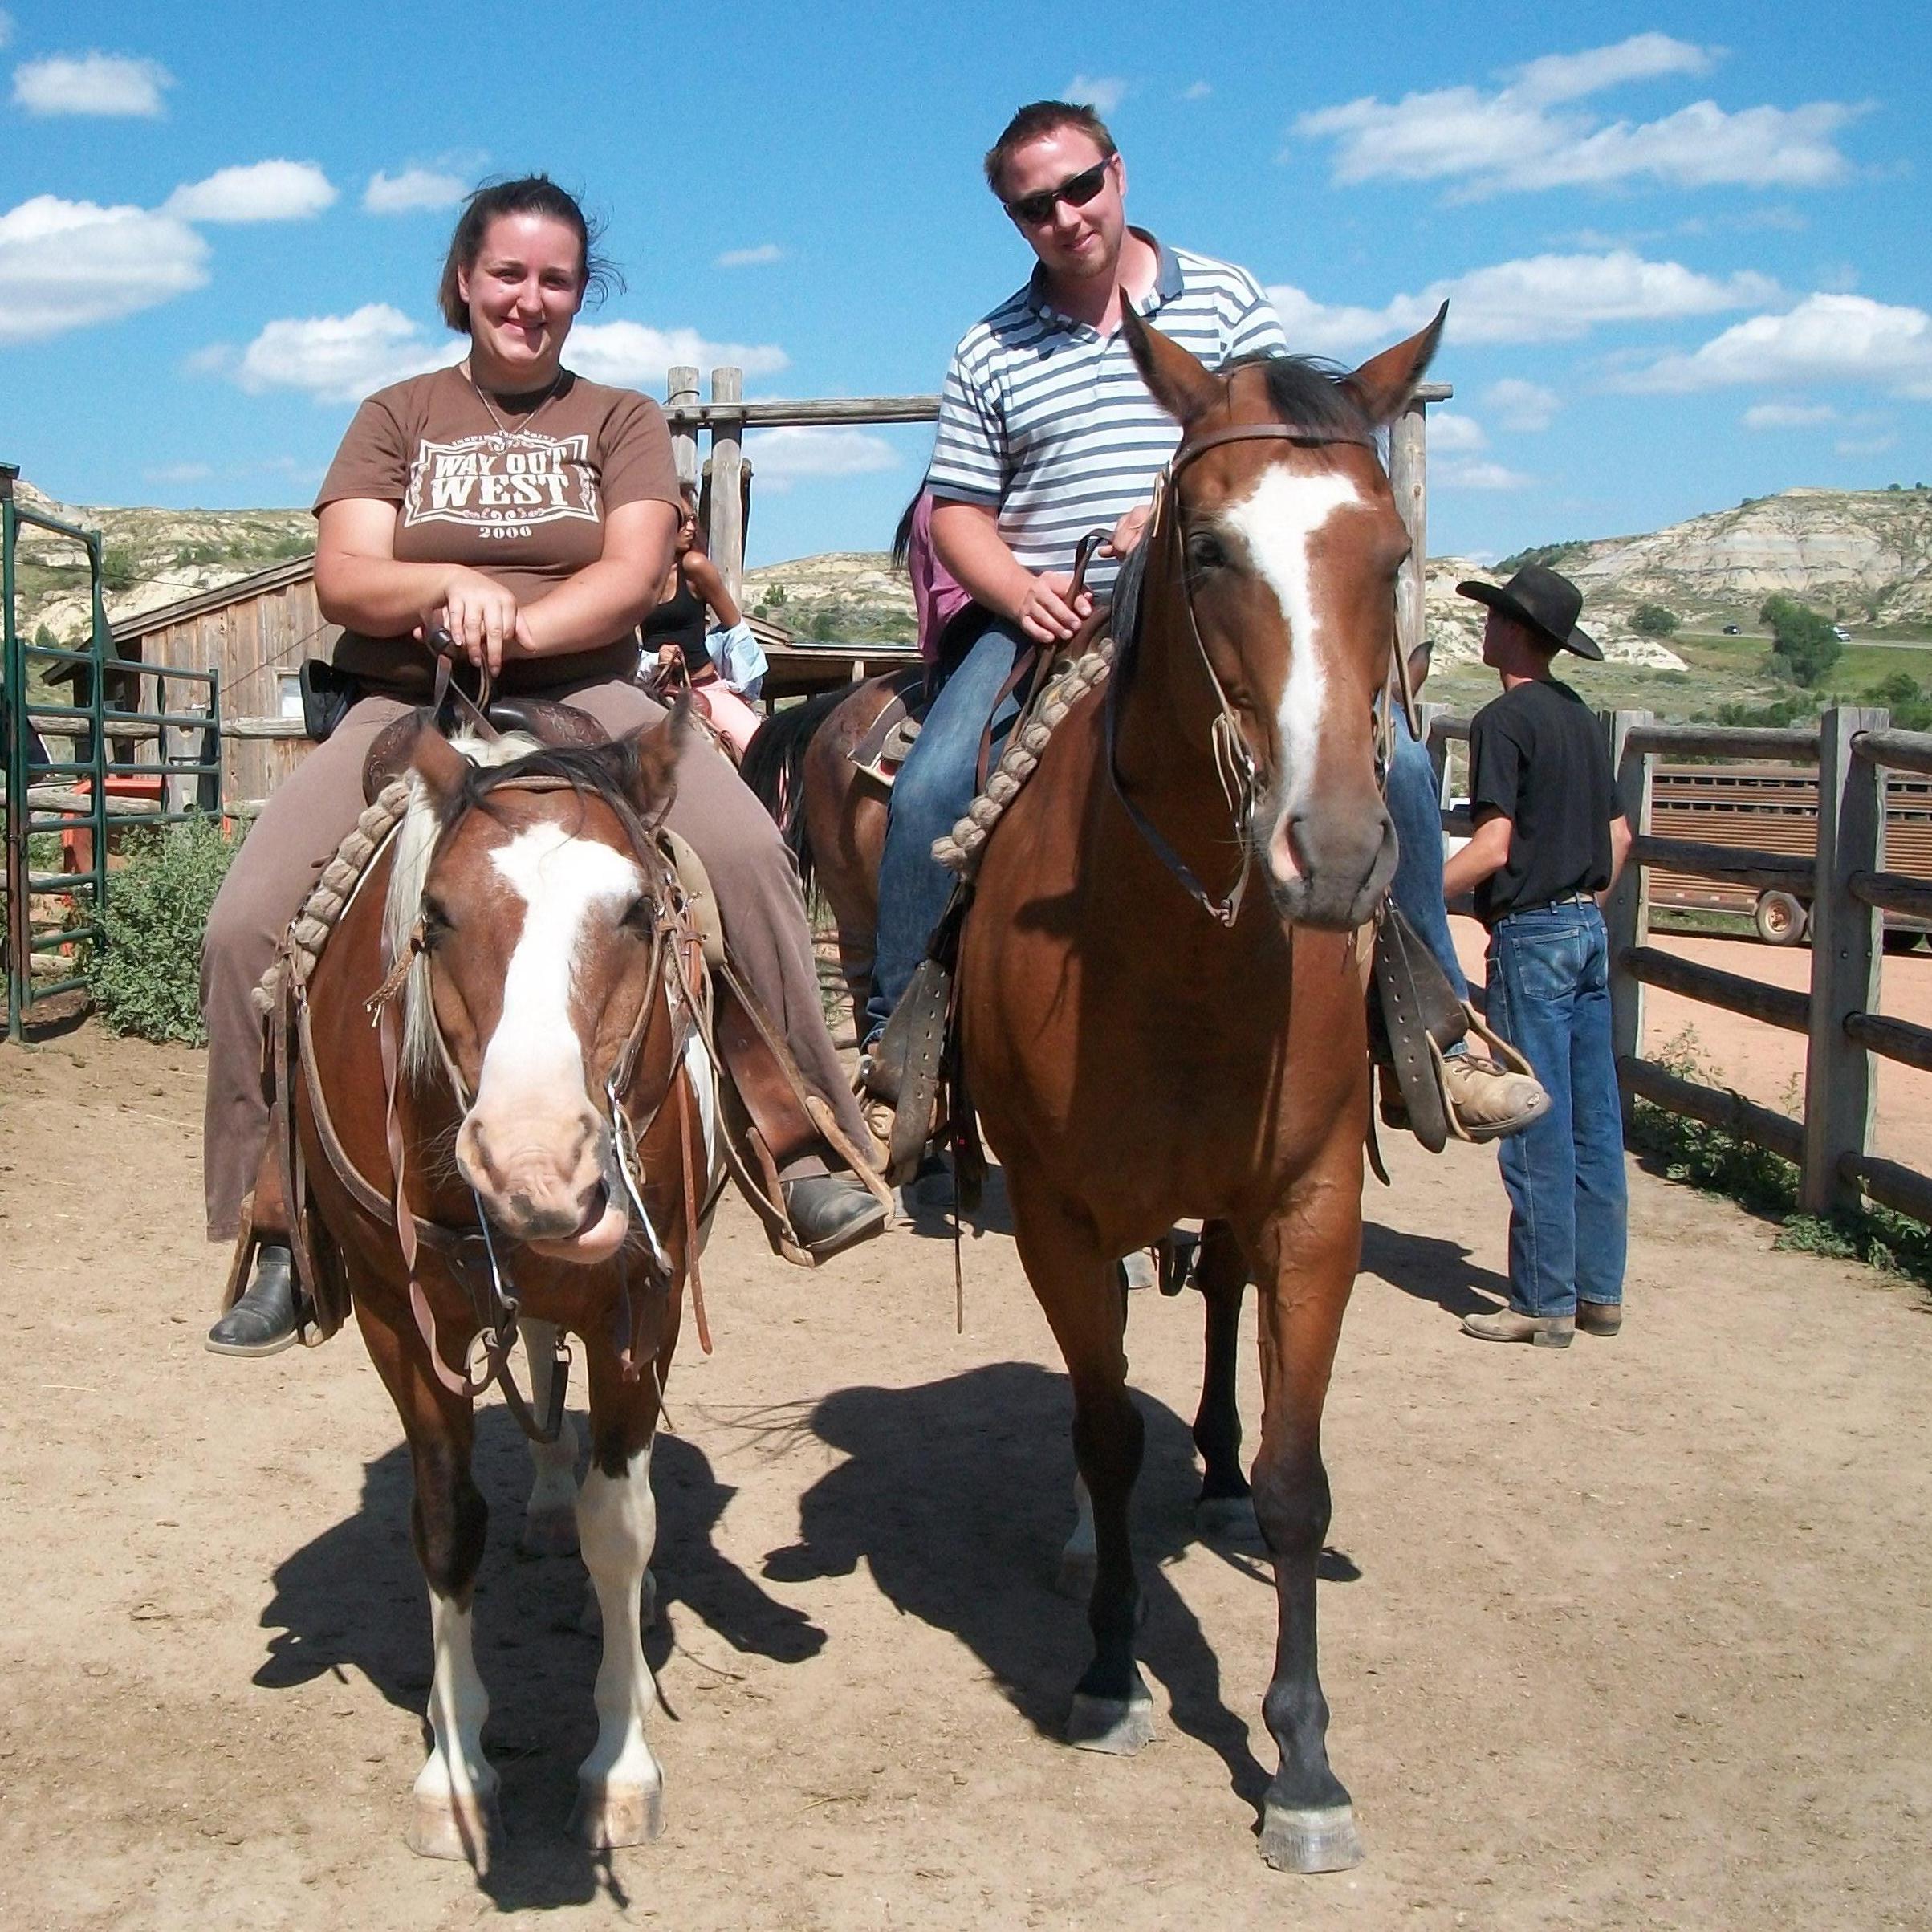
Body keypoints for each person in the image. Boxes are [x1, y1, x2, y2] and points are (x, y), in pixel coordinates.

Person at [204, 176, 885, 1358]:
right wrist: (439, 590)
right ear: (463, 282)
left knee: (743, 856)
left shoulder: (617, 420)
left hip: (587, 692)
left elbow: (630, 576)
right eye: (506, 275)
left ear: (580, 294)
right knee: (247, 923)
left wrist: (516, 628)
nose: (529, 299)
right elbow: (346, 577)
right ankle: (282, 1215)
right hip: (406, 704)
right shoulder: (396, 414)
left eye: (554, 280)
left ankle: (795, 1132)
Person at [862, 96, 1544, 1143]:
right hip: (1050, 607)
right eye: (1034, 204)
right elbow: (955, 509)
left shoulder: (1224, 297)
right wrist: (1015, 589)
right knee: (929, 786)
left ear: (1117, 174)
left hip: (1207, 591)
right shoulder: (988, 346)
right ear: (1015, 219)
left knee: (1399, 764)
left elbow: (1289, 440)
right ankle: (903, 1050)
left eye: (1079, 186)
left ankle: (1432, 1033)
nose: (1064, 215)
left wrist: (1172, 503)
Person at [1441, 565, 1634, 1348]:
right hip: (1586, 930)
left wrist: (1417, 891)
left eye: (1493, 619)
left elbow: (1492, 847)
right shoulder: (1579, 718)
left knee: (1531, 1114)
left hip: (1529, 937)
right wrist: (1583, 902)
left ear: (1513, 630)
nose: (1485, 630)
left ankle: (1541, 1299)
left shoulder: (1505, 721)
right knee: (1595, 1116)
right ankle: (1599, 1291)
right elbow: (1620, 838)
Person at [641, 484, 763, 753]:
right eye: (682, 521)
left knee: (759, 750)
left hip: (704, 688)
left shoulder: (696, 567)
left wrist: (742, 688)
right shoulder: (635, 577)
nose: (691, 528)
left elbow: (737, 630)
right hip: (649, 688)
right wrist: (651, 660)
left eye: (693, 519)